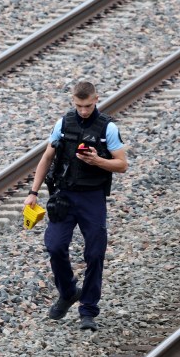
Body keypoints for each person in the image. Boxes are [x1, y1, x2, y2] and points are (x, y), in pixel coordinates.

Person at [23, 81, 128, 331]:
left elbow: (122, 164)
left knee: (94, 254)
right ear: (73, 101)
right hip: (64, 196)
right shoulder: (63, 123)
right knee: (55, 245)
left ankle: (88, 310)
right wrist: (33, 192)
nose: (83, 111)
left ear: (96, 100)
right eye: (79, 106)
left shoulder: (108, 128)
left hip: (92, 198)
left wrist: (97, 160)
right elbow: (47, 157)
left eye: (88, 105)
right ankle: (69, 291)